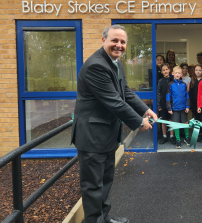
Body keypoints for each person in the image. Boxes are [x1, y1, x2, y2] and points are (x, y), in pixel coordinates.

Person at [71, 24, 158, 223]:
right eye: (114, 40)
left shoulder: (116, 62)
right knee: (93, 186)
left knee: (105, 181)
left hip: (106, 134)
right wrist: (138, 122)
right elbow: (114, 101)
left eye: (122, 41)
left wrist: (145, 109)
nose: (118, 45)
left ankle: (104, 217)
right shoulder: (96, 66)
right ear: (104, 40)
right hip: (92, 136)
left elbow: (125, 91)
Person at [166, 66, 190, 149]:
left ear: (181, 74)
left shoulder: (184, 84)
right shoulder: (170, 84)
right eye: (176, 73)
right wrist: (169, 108)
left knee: (185, 122)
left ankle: (187, 138)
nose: (177, 74)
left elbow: (187, 96)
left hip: (183, 107)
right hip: (174, 108)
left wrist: (187, 106)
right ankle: (178, 140)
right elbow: (168, 97)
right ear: (172, 73)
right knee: (175, 124)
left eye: (179, 73)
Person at [157, 63, 175, 145]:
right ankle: (164, 136)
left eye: (166, 69)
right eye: (163, 70)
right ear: (161, 72)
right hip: (163, 104)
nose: (165, 71)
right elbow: (158, 93)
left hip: (171, 105)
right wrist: (158, 105)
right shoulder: (160, 81)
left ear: (169, 70)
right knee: (163, 120)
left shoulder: (173, 80)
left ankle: (171, 136)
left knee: (171, 120)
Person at [189, 64, 202, 142]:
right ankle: (198, 135)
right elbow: (191, 93)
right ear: (194, 71)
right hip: (194, 104)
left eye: (200, 70)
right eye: (196, 70)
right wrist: (191, 104)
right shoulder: (193, 81)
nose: (198, 72)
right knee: (196, 119)